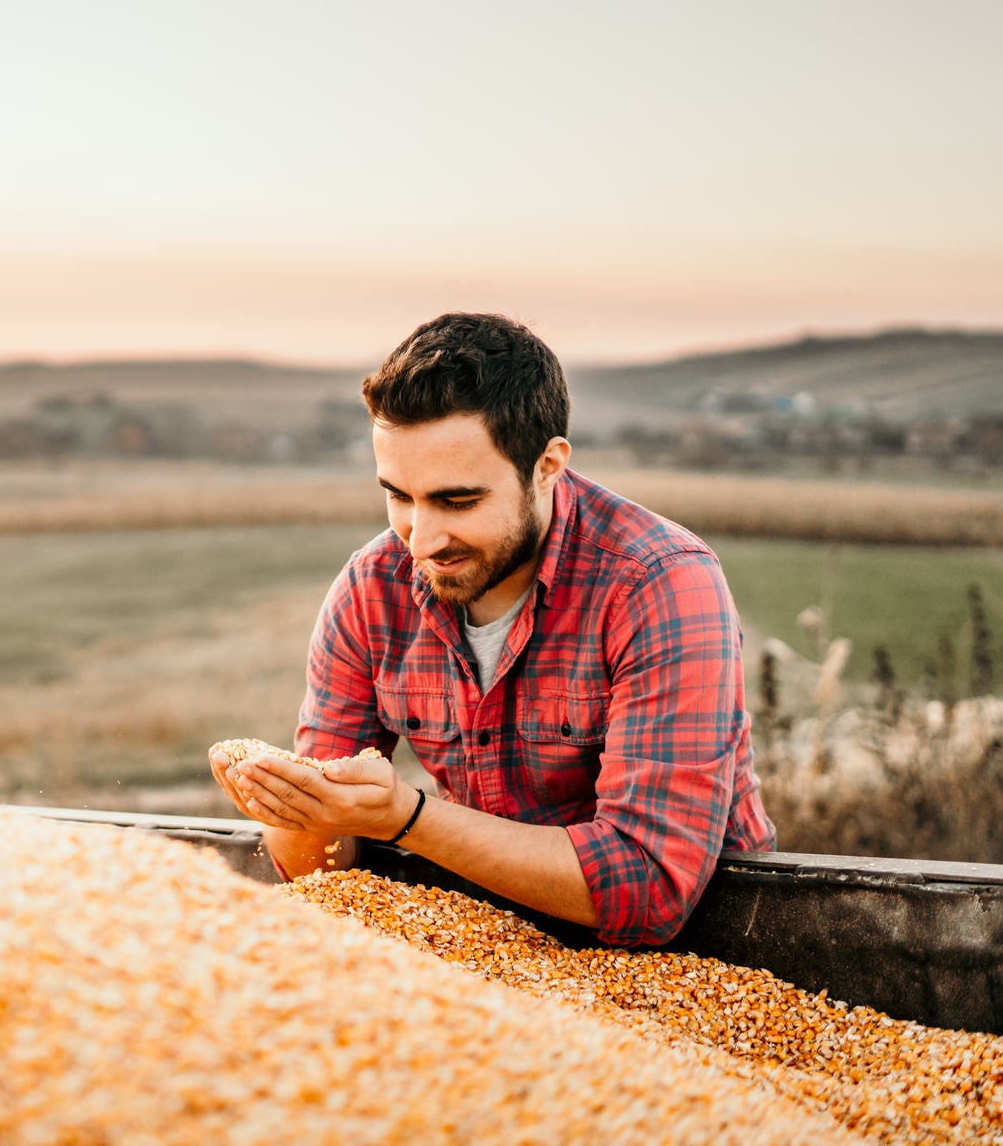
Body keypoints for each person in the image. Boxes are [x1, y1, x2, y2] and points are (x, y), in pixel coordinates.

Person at [210, 312, 775, 946]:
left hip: (704, 953)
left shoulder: (658, 583)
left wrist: (407, 819)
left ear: (547, 466)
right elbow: (320, 872)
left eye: (457, 501)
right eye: (398, 495)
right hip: (494, 940)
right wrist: (288, 804)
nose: (421, 539)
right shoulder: (373, 587)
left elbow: (650, 888)